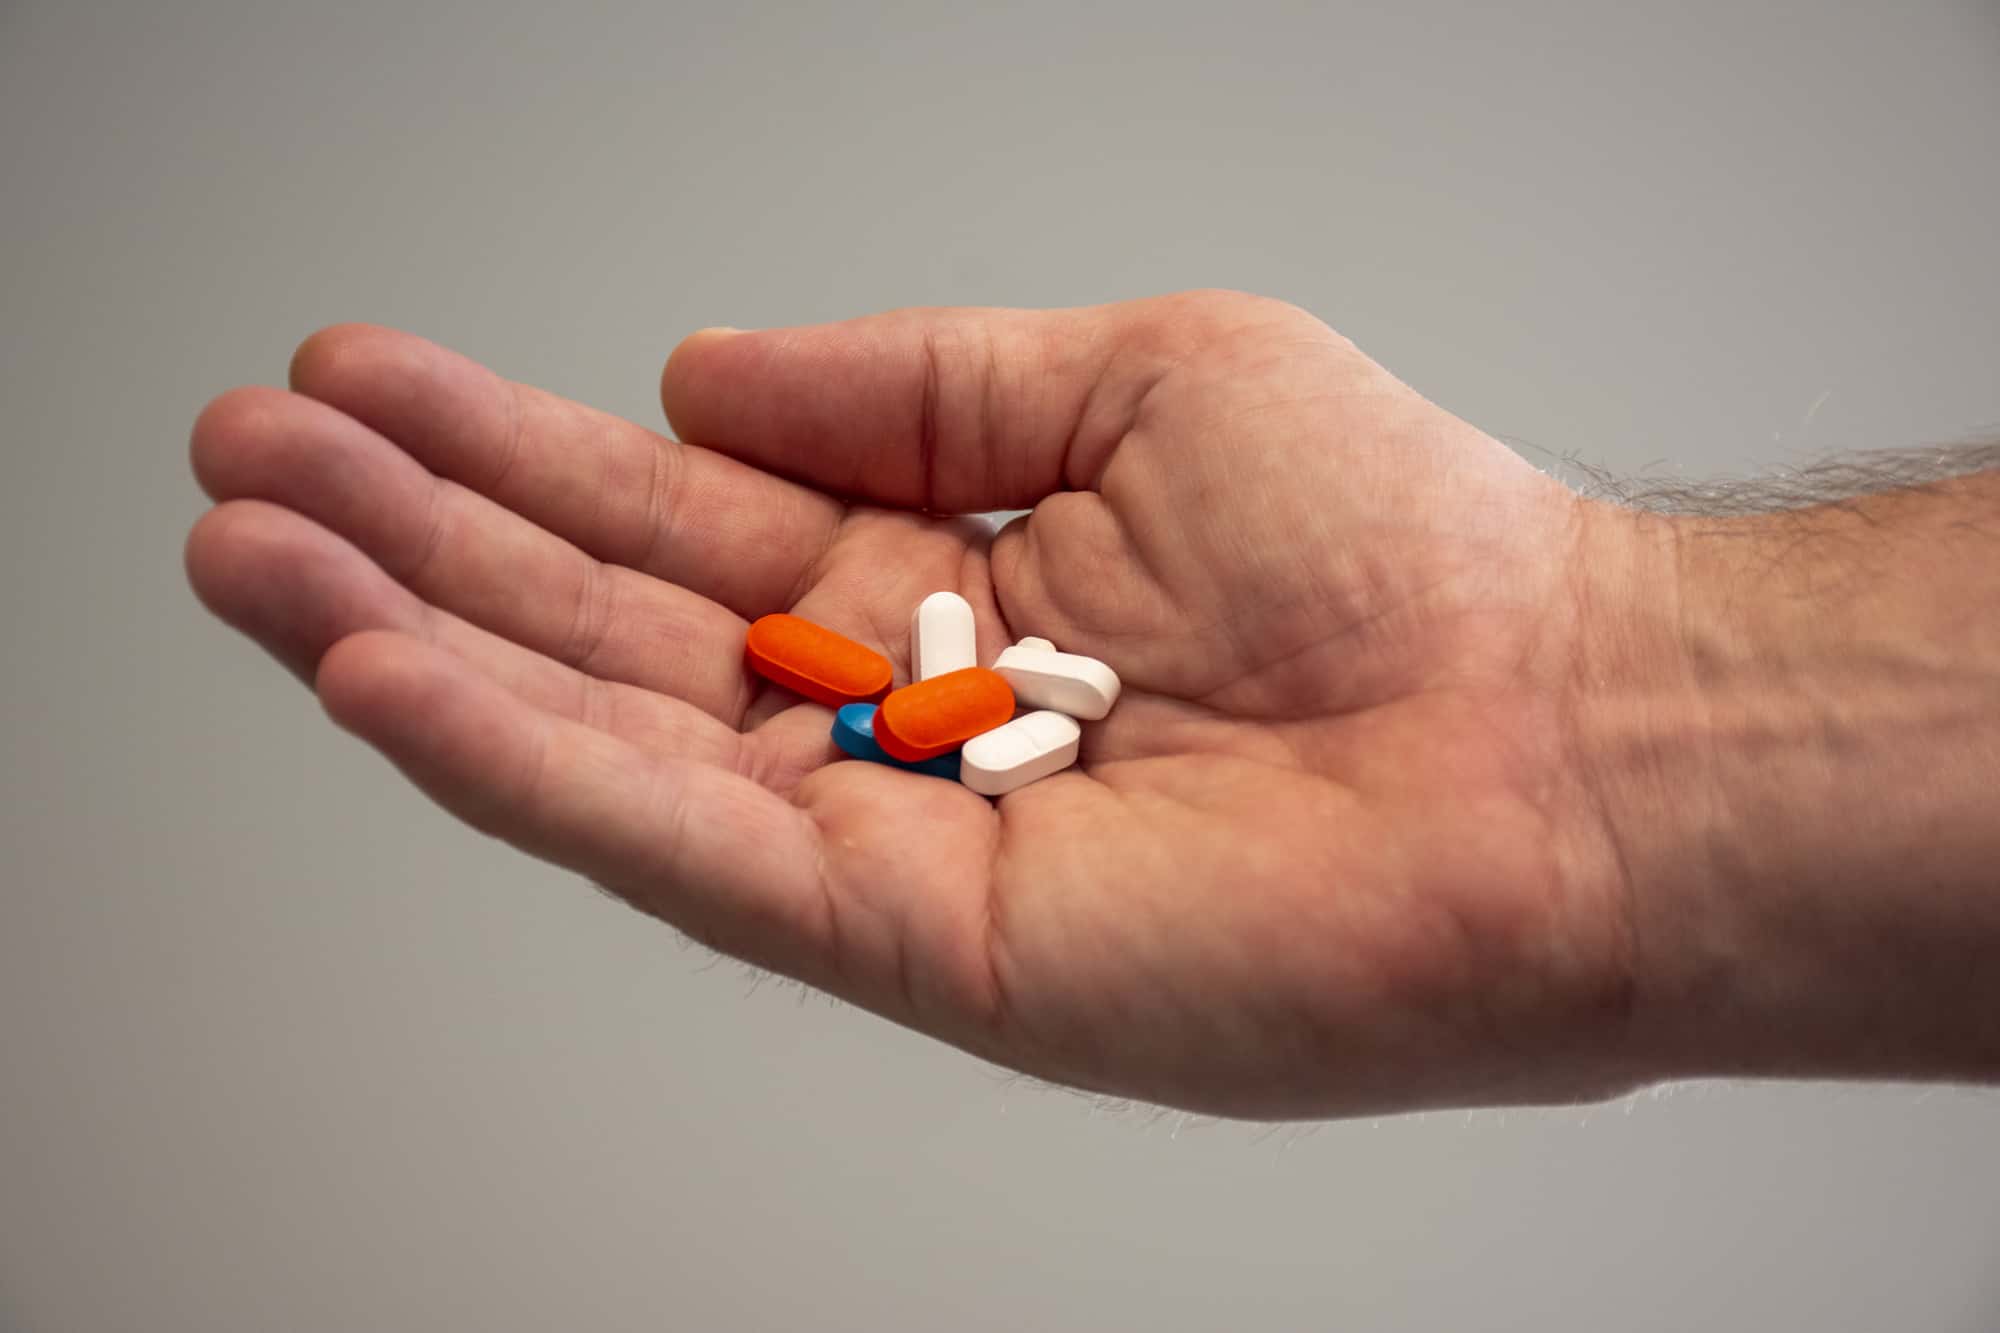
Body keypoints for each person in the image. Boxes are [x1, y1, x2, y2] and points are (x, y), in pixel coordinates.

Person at [183, 290, 2000, 1119]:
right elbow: (900, 717)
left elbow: (934, 721)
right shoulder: (911, 701)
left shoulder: (954, 702)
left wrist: (1592, 678)